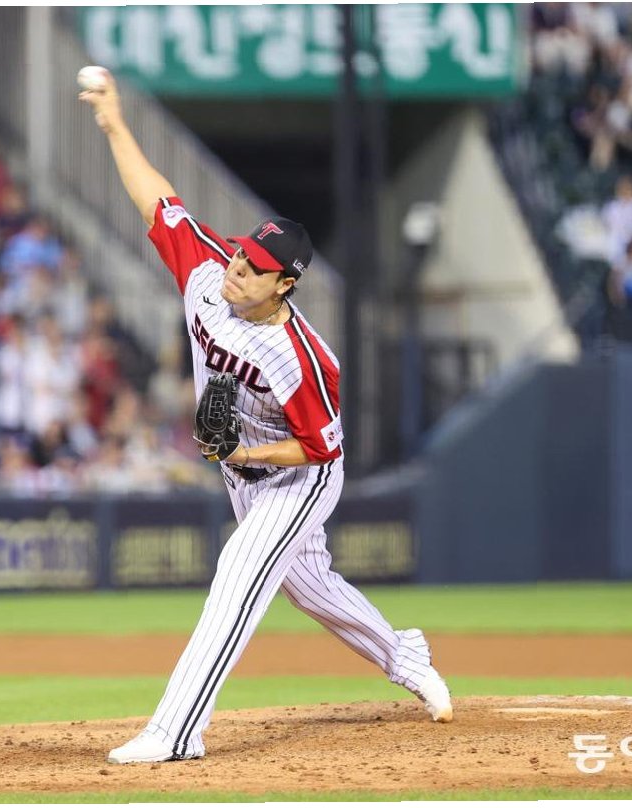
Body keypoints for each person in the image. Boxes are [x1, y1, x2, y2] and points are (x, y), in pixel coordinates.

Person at [80, 70, 453, 766]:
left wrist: (246, 457)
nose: (237, 269)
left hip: (297, 475)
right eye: (242, 254)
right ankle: (405, 656)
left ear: (286, 284)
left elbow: (319, 449)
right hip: (243, 470)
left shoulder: (304, 360)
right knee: (310, 586)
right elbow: (157, 198)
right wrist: (114, 125)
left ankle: (177, 731)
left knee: (239, 573)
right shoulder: (208, 271)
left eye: (255, 268)